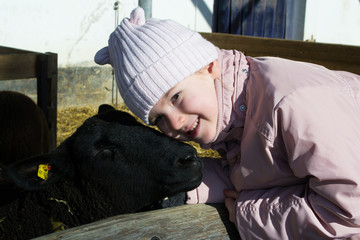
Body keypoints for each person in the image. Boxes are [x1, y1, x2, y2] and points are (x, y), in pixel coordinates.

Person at [95, 7, 360, 239]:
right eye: (158, 119)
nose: (174, 123)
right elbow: (257, 171)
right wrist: (181, 186)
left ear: (208, 66)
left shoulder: (291, 104)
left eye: (176, 96)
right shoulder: (235, 117)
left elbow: (348, 214)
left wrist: (248, 216)